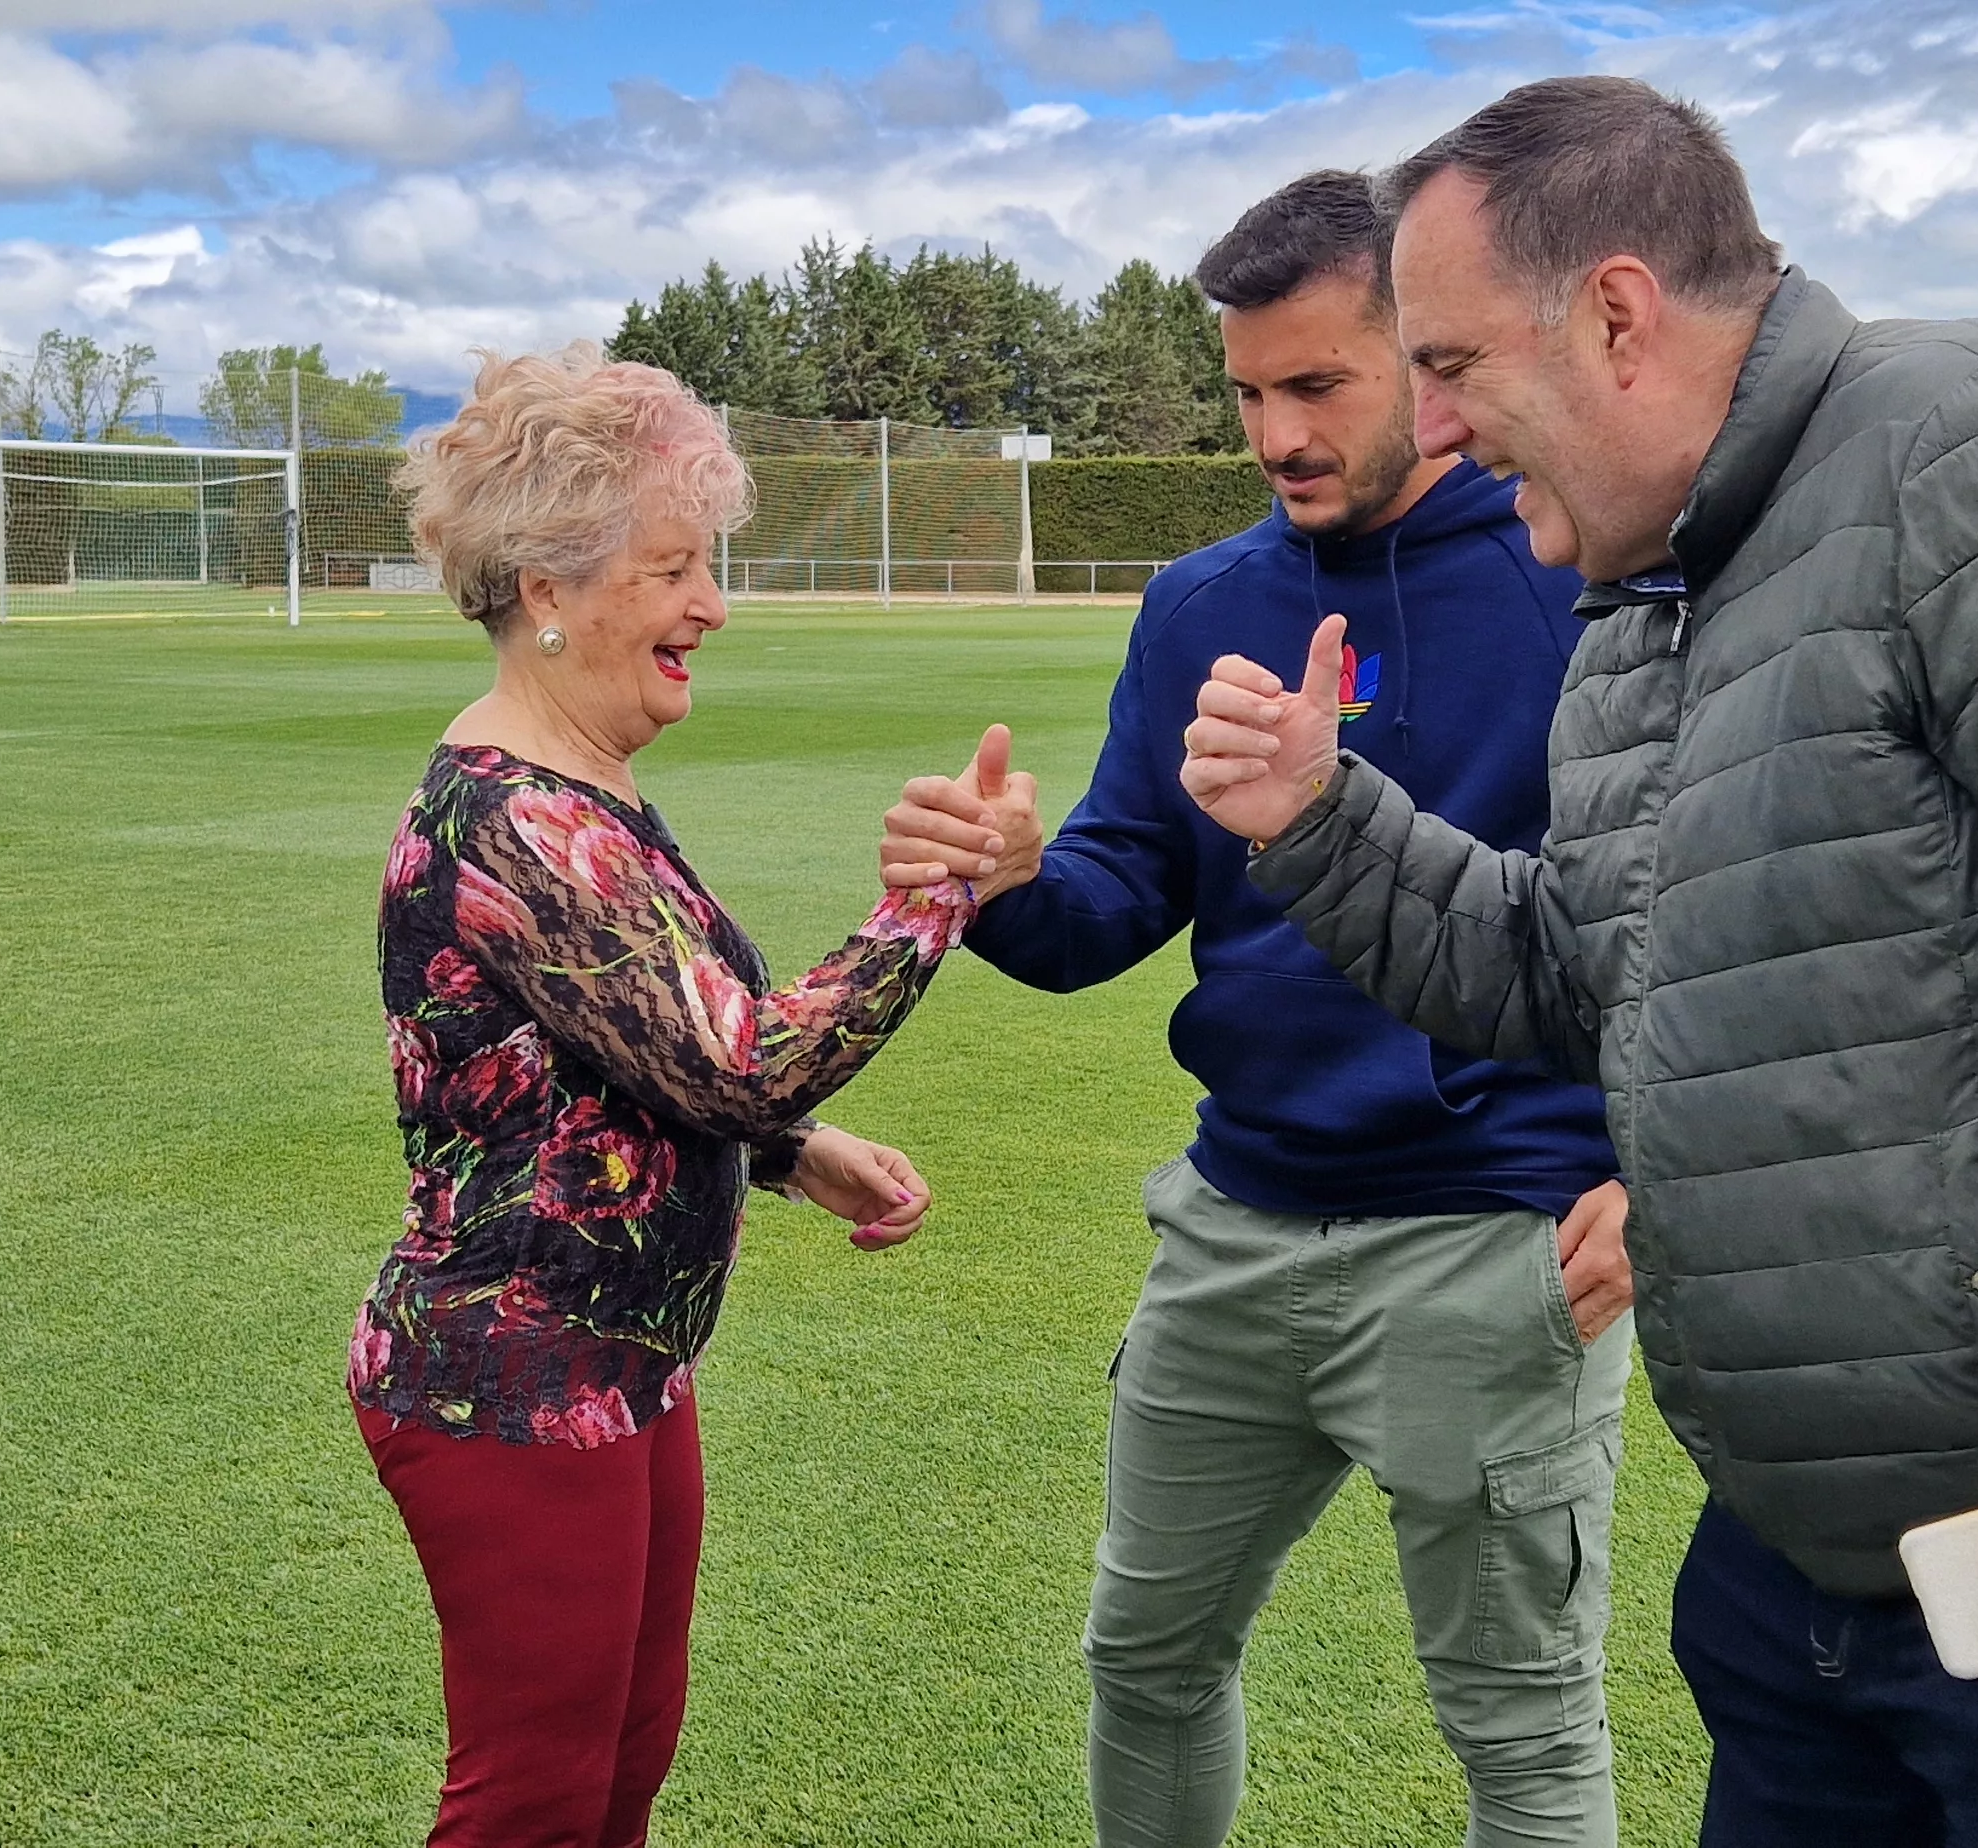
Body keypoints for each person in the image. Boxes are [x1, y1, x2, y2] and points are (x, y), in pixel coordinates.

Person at [1180, 78, 1978, 1846]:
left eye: (1457, 364)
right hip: (1826, 1561)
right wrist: (1323, 824)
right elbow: (1593, 985)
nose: (1438, 426)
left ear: (1619, 312)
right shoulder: (1653, 601)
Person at [881, 172, 1635, 1848]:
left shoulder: (1583, 588)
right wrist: (1001, 880)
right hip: (1233, 1228)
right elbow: (1107, 909)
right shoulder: (1204, 602)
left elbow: (1698, 927)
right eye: (1246, 392)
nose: (1274, 433)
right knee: (1143, 1660)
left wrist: (1668, 1162)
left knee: (1517, 1732)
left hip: (1492, 1248)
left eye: (1318, 386)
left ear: (1430, 366)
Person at [351, 344, 1007, 1848]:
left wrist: (791, 1153)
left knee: (622, 1762)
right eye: (674, 568)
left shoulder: (584, 787)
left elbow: (623, 1056)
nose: (710, 605)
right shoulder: (516, 815)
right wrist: (933, 900)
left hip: (616, 1363)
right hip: (505, 1378)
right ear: (550, 588)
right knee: (534, 1798)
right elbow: (730, 1057)